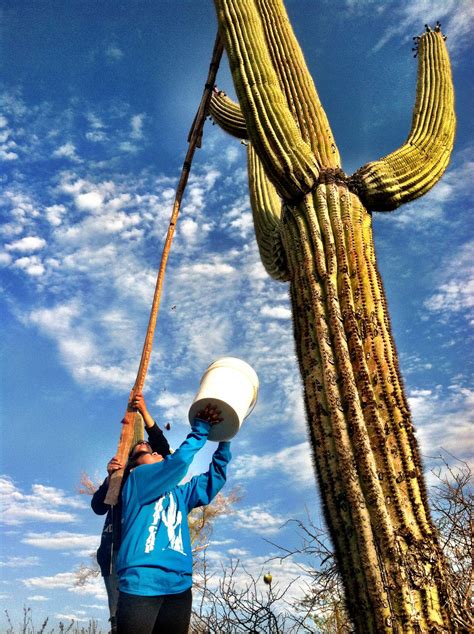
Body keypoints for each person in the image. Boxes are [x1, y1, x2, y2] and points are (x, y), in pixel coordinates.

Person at [116, 404, 231, 634]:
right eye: (144, 451)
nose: (154, 451)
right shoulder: (137, 482)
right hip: (142, 583)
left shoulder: (178, 494)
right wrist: (201, 429)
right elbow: (177, 463)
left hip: (179, 587)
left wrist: (225, 440)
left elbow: (213, 481)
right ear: (133, 465)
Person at [91, 393, 170, 634]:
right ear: (132, 460)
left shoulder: (154, 479)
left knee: (147, 616)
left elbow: (164, 450)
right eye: (142, 448)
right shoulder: (123, 479)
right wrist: (110, 478)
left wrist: (145, 413)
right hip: (115, 550)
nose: (148, 447)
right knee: (120, 619)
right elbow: (98, 506)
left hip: (143, 553)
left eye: (149, 447)